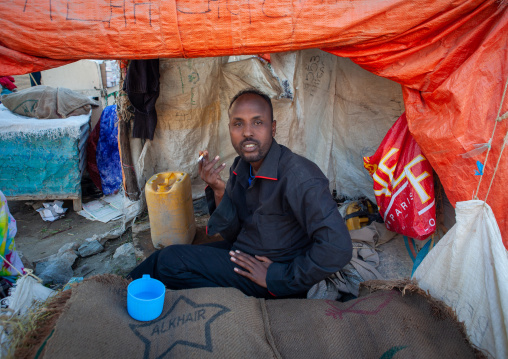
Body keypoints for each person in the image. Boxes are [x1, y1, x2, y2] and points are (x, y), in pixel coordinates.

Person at [129, 89, 352, 298]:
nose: (247, 132)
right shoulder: (241, 167)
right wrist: (218, 189)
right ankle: (123, 287)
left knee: (170, 262)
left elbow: (338, 247)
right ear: (230, 129)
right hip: (244, 251)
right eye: (238, 124)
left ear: (273, 128)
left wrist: (276, 276)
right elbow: (232, 233)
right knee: (166, 257)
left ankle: (121, 293)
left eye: (258, 122)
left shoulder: (300, 177)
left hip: (275, 272)